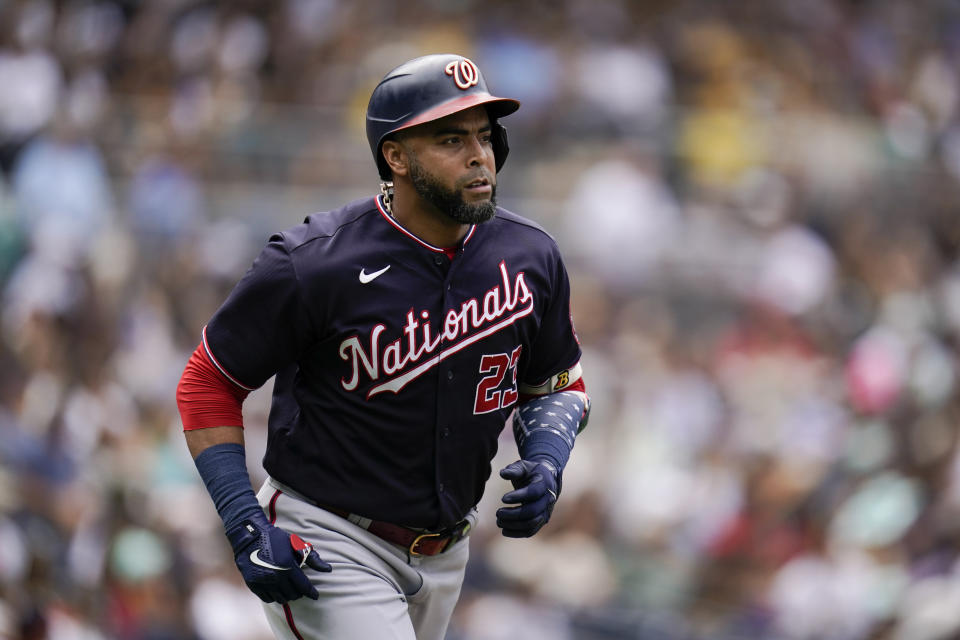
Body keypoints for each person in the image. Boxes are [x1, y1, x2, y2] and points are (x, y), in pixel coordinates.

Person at [175, 53, 591, 640]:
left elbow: (556, 382)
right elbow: (208, 382)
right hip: (329, 537)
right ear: (395, 155)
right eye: (451, 139)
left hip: (448, 553)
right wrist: (243, 521)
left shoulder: (530, 255)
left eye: (485, 135)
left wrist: (549, 456)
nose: (480, 155)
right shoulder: (315, 262)